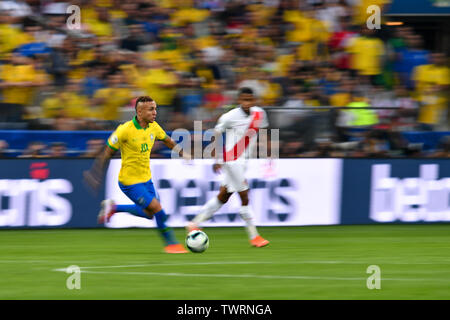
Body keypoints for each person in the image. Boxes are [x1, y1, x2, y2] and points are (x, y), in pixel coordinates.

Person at [84, 96, 189, 254]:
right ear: (139, 112)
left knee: (149, 214)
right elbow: (107, 153)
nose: (155, 112)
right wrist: (96, 174)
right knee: (158, 209)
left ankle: (114, 208)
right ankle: (171, 244)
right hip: (129, 182)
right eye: (151, 109)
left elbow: (167, 140)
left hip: (146, 179)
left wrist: (183, 152)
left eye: (155, 109)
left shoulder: (153, 127)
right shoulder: (124, 130)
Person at [186, 87, 270, 248]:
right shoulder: (229, 116)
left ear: (254, 100)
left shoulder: (260, 113)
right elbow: (216, 134)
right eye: (244, 99)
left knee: (223, 196)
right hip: (231, 160)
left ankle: (194, 223)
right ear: (239, 100)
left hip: (244, 160)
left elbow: (262, 132)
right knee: (245, 196)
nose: (247, 103)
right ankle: (254, 236)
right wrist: (217, 158)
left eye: (250, 100)